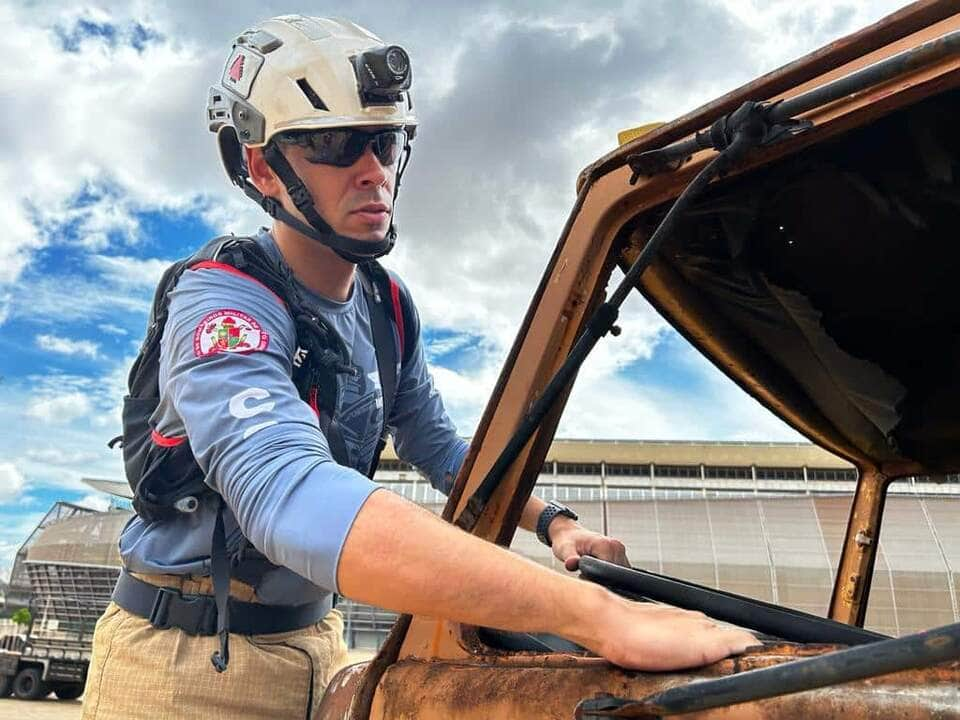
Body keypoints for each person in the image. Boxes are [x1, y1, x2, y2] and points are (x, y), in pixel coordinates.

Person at [81, 15, 756, 720]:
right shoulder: (222, 298)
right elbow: (284, 493)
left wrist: (553, 521)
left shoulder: (386, 307)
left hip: (318, 643)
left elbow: (441, 450)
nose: (372, 169)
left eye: (385, 142)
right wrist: (599, 616)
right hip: (182, 665)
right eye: (335, 145)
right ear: (261, 169)